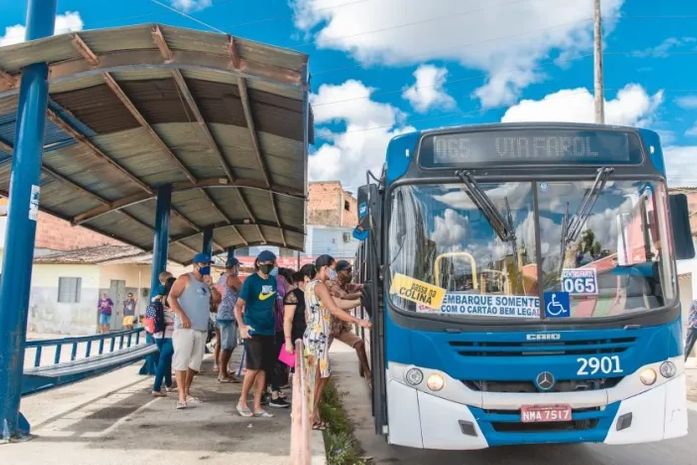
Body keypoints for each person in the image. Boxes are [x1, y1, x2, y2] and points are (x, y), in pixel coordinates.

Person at [304, 255, 371, 430]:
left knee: (318, 377)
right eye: (332, 268)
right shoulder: (320, 286)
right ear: (324, 268)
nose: (334, 273)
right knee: (322, 376)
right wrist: (359, 321)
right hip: (318, 336)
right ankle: (311, 416)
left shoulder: (310, 286)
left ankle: (313, 413)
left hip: (313, 334)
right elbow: (335, 307)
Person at [234, 250, 278, 418]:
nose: (268, 265)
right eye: (265, 262)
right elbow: (238, 306)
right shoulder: (251, 281)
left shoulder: (273, 281)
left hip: (268, 330)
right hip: (253, 330)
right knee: (252, 368)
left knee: (263, 369)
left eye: (271, 262)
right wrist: (242, 326)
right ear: (258, 263)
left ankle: (258, 405)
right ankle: (242, 401)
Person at [168, 253, 214, 409]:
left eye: (209, 264)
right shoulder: (185, 279)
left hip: (201, 328)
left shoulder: (207, 284)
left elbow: (216, 303)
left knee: (195, 364)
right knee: (181, 361)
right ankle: (181, 396)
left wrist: (212, 286)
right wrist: (182, 315)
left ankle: (187, 392)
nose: (207, 267)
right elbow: (171, 298)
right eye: (204, 264)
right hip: (185, 329)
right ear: (196, 265)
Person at [331, 260, 372, 382]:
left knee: (359, 343)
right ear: (338, 272)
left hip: (340, 327)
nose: (350, 273)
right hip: (327, 327)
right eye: (347, 270)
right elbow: (344, 296)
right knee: (319, 359)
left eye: (351, 270)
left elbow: (361, 286)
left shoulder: (347, 284)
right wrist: (362, 296)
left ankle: (367, 373)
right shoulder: (332, 284)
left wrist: (368, 288)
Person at [216, 256, 242, 383]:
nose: (239, 269)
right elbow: (244, 291)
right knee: (227, 346)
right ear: (234, 267)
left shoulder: (222, 277)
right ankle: (222, 373)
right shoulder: (232, 278)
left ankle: (224, 371)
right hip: (228, 315)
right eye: (238, 266)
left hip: (223, 314)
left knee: (228, 345)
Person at [152, 277, 176, 397]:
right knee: (164, 359)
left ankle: (168, 384)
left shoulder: (156, 299)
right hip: (170, 333)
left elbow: (149, 315)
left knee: (166, 359)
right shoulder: (174, 299)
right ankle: (156, 388)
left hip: (157, 334)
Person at [283, 267, 310, 357]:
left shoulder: (314, 294)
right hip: (297, 338)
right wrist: (288, 341)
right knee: (298, 367)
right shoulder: (293, 295)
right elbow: (287, 319)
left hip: (312, 338)